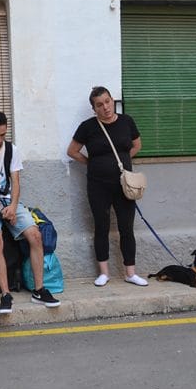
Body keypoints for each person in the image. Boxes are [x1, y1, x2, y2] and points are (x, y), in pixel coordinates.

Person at [0, 111, 61, 314]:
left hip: (9, 202)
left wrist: (14, 207)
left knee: (35, 235)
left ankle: (39, 289)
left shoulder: (11, 150)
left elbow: (16, 182)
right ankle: (6, 294)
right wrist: (0, 208)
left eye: (2, 135)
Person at [66, 86, 148, 287]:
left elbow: (137, 145)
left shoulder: (126, 122)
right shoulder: (88, 127)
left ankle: (130, 272)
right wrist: (92, 163)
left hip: (124, 185)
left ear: (113, 100)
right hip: (98, 186)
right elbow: (72, 151)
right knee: (101, 227)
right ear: (94, 108)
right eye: (99, 105)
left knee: (126, 228)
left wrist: (122, 161)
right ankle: (104, 272)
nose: (105, 108)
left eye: (108, 102)